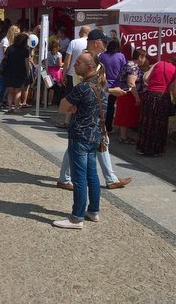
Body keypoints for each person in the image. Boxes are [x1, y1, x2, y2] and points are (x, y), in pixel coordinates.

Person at [56, 29, 132, 191]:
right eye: (104, 42)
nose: (106, 45)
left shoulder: (96, 60)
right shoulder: (85, 60)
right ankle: (71, 179)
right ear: (96, 43)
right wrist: (111, 91)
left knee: (96, 141)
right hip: (87, 109)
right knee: (88, 142)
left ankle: (68, 177)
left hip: (93, 108)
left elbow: (94, 87)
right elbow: (84, 87)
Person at [54, 52, 107, 229]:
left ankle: (77, 217)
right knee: (92, 175)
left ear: (90, 67)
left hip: (80, 136)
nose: (75, 65)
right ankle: (93, 210)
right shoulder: (102, 84)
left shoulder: (83, 87)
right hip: (95, 135)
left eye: (79, 63)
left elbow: (62, 106)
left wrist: (73, 107)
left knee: (79, 178)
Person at [137, 56, 176, 156]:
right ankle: (155, 150)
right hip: (163, 97)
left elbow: (145, 77)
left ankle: (142, 148)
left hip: (149, 94)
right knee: (159, 124)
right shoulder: (175, 70)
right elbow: (174, 88)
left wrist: (153, 84)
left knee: (146, 121)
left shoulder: (159, 63)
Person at [114, 48, 147, 144]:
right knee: (126, 116)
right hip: (129, 96)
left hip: (125, 94)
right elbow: (131, 84)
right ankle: (123, 137)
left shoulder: (128, 64)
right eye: (144, 57)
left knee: (124, 115)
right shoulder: (133, 67)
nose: (144, 60)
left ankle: (123, 136)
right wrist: (137, 98)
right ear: (140, 57)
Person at [98, 40, 126, 132]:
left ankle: (99, 126)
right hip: (116, 85)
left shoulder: (102, 56)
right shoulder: (121, 56)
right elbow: (124, 70)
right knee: (110, 107)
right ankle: (108, 128)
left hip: (103, 83)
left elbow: (98, 69)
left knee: (102, 106)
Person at [46, 39, 64, 106]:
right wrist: (64, 63)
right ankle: (54, 101)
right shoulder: (59, 54)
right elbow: (59, 64)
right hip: (56, 72)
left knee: (49, 88)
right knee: (56, 88)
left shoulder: (47, 53)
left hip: (49, 71)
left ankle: (47, 101)